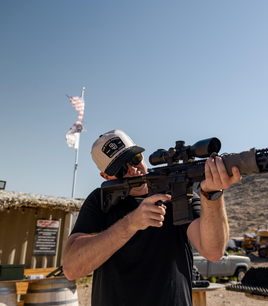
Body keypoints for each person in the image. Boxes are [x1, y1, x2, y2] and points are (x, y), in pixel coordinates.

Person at [63, 129, 242, 306]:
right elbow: (71, 268)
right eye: (120, 169)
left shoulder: (178, 192)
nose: (133, 170)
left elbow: (213, 251)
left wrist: (212, 194)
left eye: (135, 159)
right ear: (105, 176)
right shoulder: (99, 201)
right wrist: (130, 224)